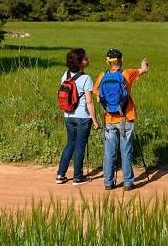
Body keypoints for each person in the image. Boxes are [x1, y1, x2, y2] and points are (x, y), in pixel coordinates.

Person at [94, 48, 149, 191]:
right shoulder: (127, 74)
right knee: (126, 151)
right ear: (121, 59)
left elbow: (98, 94)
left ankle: (108, 182)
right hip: (126, 117)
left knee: (109, 152)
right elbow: (143, 70)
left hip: (109, 119)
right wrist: (144, 64)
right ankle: (128, 183)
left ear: (108, 62)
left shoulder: (102, 76)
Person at [56, 48, 99, 185]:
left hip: (68, 115)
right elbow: (89, 101)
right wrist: (94, 119)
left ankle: (60, 174)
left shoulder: (66, 75)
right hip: (82, 117)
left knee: (70, 143)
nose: (88, 59)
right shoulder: (86, 78)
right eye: (85, 58)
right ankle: (77, 177)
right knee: (80, 146)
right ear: (80, 63)